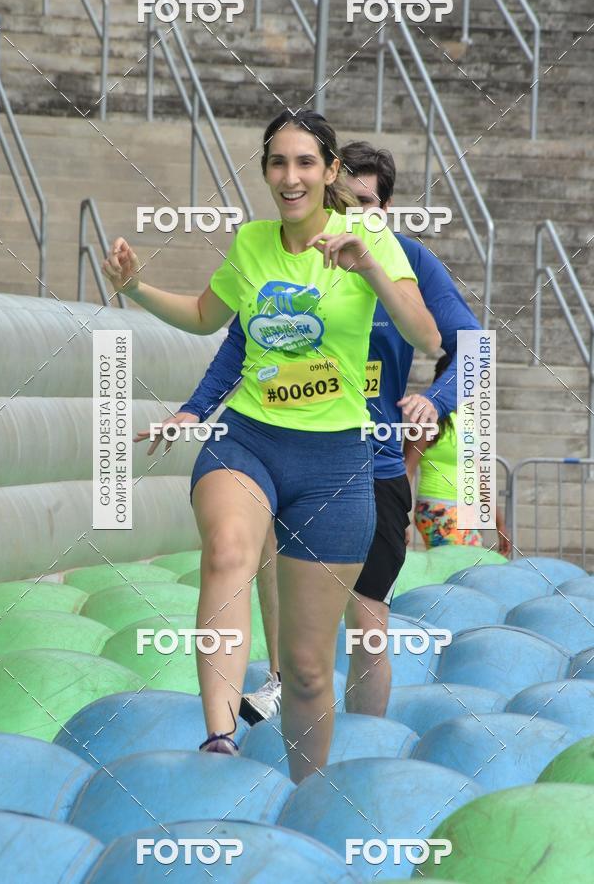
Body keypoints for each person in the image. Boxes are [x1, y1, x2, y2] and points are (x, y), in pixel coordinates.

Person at [103, 110, 440, 783]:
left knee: (308, 671)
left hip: (335, 462)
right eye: (278, 162)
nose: (291, 176)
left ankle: (303, 796)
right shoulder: (253, 242)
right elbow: (206, 317)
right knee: (228, 550)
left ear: (330, 170)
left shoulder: (370, 235)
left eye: (306, 162)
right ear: (264, 171)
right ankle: (220, 738)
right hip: (248, 439)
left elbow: (427, 336)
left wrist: (369, 267)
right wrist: (135, 288)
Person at [161, 140, 483, 724]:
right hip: (285, 451)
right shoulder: (292, 252)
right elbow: (239, 341)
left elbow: (471, 348)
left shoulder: (404, 261)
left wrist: (433, 401)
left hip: (370, 465)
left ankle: (363, 740)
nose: (351, 217)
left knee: (366, 625)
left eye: (366, 205)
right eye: (344, 203)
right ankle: (278, 689)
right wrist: (195, 409)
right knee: (263, 571)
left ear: (385, 210)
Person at [405, 354, 512, 556]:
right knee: (461, 566)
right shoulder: (427, 416)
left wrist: (500, 524)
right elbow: (407, 469)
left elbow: (481, 477)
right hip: (438, 507)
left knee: (463, 568)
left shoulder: (467, 416)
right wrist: (400, 517)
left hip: (466, 511)